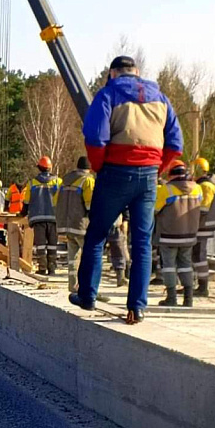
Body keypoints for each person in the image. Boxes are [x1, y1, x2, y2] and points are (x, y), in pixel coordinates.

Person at [70, 55, 183, 324]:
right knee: (142, 242)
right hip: (148, 178)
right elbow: (176, 144)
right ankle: (137, 307)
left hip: (115, 172)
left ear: (112, 74)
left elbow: (96, 137)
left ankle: (87, 295)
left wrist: (100, 167)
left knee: (97, 235)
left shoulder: (108, 93)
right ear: (137, 72)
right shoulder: (160, 97)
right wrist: (158, 169)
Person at [154, 161, 203, 307]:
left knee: (168, 265)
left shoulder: (166, 189)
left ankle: (171, 297)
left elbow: (155, 210)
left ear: (171, 175)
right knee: (186, 265)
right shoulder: (198, 189)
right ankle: (188, 298)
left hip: (169, 235)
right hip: (189, 235)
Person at [55, 156, 94, 291]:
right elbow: (90, 205)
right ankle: (88, 286)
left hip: (66, 225)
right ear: (89, 168)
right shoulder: (87, 181)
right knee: (89, 255)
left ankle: (72, 285)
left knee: (72, 257)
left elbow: (55, 201)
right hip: (81, 225)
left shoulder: (64, 181)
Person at [22, 156, 62, 275]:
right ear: (50, 168)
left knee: (40, 245)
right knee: (52, 245)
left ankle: (42, 268)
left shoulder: (32, 183)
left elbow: (26, 202)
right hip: (54, 218)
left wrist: (23, 213)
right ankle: (52, 268)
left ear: (39, 168)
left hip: (38, 218)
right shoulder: (58, 182)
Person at [192, 157, 215, 297]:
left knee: (199, 255)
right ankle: (197, 285)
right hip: (201, 225)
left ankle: (203, 287)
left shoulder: (206, 185)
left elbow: (203, 208)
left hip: (202, 226)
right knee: (196, 254)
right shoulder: (203, 184)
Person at [107, 213, 129, 287]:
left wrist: (125, 220)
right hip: (103, 223)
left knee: (118, 250)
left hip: (116, 226)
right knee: (118, 250)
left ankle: (121, 277)